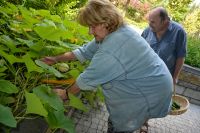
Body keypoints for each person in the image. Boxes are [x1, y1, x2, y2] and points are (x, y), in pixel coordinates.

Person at [41, 0, 173, 133]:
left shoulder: (112, 49)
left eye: (92, 27)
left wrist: (65, 94)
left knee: (123, 121)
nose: (89, 32)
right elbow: (84, 52)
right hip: (154, 80)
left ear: (106, 22)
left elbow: (85, 80)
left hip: (150, 91)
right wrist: (55, 59)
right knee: (123, 114)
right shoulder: (115, 31)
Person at [141, 7, 187, 85]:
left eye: (153, 22)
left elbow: (181, 57)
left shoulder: (179, 32)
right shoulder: (148, 30)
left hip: (164, 77)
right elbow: (139, 49)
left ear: (165, 21)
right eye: (149, 21)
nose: (149, 24)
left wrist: (175, 77)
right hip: (145, 74)